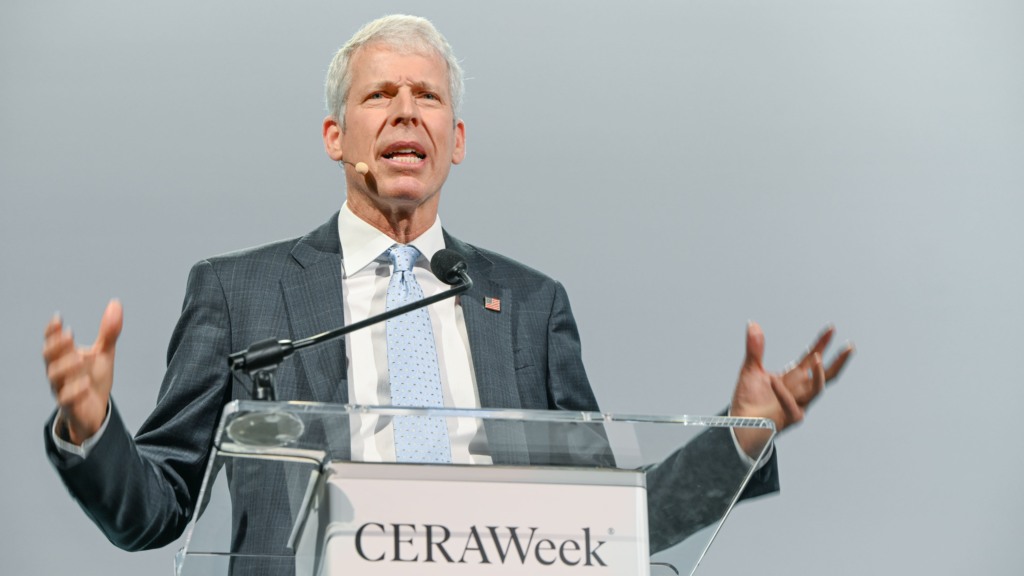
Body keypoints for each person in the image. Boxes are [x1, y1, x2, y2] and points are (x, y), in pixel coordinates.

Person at [42, 13, 853, 563]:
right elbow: (154, 510)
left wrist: (743, 431)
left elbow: (611, 525)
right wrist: (91, 425)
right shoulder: (239, 293)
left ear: (455, 140)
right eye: (380, 96)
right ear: (336, 136)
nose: (406, 112)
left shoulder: (531, 308)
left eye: (427, 96)